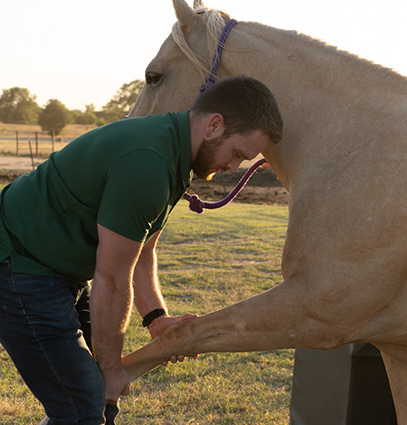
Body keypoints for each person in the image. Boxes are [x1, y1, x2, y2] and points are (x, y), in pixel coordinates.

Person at [0, 76, 282, 424]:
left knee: (100, 397)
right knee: (83, 406)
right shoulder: (148, 162)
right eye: (237, 153)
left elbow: (144, 251)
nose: (233, 167)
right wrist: (110, 366)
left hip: (54, 270)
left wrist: (155, 318)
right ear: (214, 125)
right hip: (19, 266)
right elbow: (113, 278)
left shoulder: (174, 151)